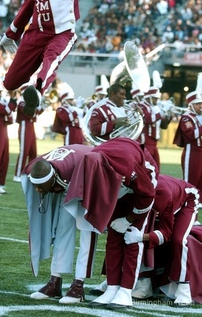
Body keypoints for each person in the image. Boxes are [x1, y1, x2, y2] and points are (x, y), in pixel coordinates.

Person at [0, 0, 135, 116]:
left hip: (63, 32)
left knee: (51, 59)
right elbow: (26, 8)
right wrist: (10, 33)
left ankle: (37, 93)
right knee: (10, 83)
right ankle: (28, 92)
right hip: (37, 32)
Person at [64, 137, 158, 309]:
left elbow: (147, 195)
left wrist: (129, 219)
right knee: (113, 239)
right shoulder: (92, 160)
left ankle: (126, 291)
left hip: (143, 187)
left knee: (132, 238)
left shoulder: (128, 169)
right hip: (120, 186)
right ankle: (112, 287)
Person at [20, 144, 97, 304]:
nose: (38, 191)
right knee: (62, 228)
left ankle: (78, 285)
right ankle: (55, 281)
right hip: (72, 176)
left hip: (91, 178)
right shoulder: (35, 167)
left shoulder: (76, 170)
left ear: (53, 178)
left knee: (87, 230)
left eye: (42, 187)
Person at [124, 174, 199, 306]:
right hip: (163, 196)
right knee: (127, 232)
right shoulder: (131, 191)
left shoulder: (163, 196)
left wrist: (142, 237)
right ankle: (139, 281)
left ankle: (184, 288)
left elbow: (166, 233)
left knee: (178, 240)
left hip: (188, 199)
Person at [173, 90, 202, 205]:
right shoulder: (186, 117)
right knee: (191, 179)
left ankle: (198, 202)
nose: (201, 106)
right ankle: (185, 202)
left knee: (200, 179)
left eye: (201, 103)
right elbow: (191, 135)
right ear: (191, 105)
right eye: (198, 104)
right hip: (192, 151)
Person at [13, 82, 45, 182]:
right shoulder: (22, 103)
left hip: (31, 126)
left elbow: (37, 112)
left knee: (33, 152)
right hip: (24, 126)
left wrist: (44, 105)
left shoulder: (29, 103)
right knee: (24, 151)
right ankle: (18, 174)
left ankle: (29, 173)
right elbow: (30, 114)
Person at [137, 86, 171, 171]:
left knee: (156, 167)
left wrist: (169, 115)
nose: (157, 100)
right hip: (145, 140)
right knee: (147, 167)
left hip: (154, 142)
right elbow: (147, 119)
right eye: (155, 98)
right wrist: (162, 112)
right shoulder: (141, 105)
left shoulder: (155, 107)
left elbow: (164, 126)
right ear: (149, 97)